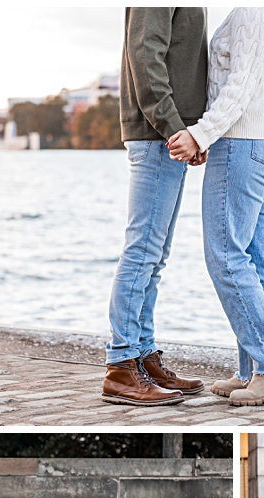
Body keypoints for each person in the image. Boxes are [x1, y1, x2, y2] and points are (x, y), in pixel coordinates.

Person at [168, 7, 264, 406]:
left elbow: (240, 86)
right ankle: (254, 371)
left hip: (246, 145)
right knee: (258, 257)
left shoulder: (255, 9)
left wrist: (201, 135)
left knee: (227, 256)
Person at [103, 7, 210, 407]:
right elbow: (145, 57)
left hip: (169, 133)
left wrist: (195, 131)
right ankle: (121, 366)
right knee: (142, 251)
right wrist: (175, 127)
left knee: (155, 255)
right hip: (156, 134)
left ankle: (143, 358)